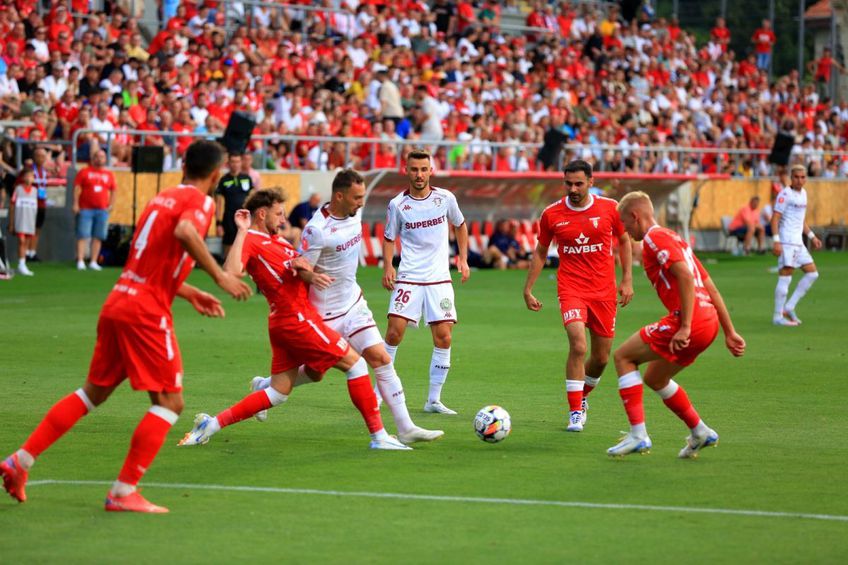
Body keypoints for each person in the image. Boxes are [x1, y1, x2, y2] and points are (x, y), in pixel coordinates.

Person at [0, 140, 252, 513]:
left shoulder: (159, 198)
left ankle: (19, 461)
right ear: (215, 175)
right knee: (170, 402)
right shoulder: (199, 202)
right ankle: (123, 492)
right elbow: (186, 232)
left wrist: (189, 292)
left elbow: (147, 259)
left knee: (93, 393)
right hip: (145, 312)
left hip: (120, 300)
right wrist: (219, 277)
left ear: (184, 165)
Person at [178, 189, 410, 450]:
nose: (283, 219)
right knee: (355, 366)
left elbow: (296, 271)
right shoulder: (252, 239)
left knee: (278, 392)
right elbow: (231, 271)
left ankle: (210, 425)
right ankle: (379, 437)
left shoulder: (276, 242)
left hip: (286, 321)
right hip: (295, 318)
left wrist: (309, 274)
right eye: (278, 214)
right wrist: (242, 231)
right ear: (262, 214)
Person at [250, 169, 443, 444]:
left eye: (363, 196)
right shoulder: (317, 230)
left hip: (353, 304)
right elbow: (301, 267)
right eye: (357, 197)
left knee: (381, 359)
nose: (361, 202)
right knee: (315, 374)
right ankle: (267, 385)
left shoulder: (355, 212)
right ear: (339, 196)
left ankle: (405, 428)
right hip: (324, 314)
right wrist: (312, 276)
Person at [607, 191, 745, 458]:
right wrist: (729, 331)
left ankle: (638, 435)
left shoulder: (653, 239)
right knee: (655, 378)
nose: (624, 231)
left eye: (625, 224)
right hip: (709, 322)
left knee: (623, 356)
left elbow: (683, 275)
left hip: (690, 321)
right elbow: (709, 286)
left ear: (635, 216)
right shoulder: (674, 238)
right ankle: (700, 431)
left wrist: (685, 325)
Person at [523, 160, 633, 432]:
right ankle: (574, 412)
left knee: (602, 358)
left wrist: (627, 279)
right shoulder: (552, 214)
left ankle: (582, 396)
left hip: (604, 292)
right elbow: (540, 250)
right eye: (568, 183)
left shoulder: (610, 208)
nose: (573, 188)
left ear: (591, 182)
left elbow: (625, 241)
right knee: (578, 346)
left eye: (578, 183)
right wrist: (528, 288)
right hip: (571, 289)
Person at [381, 149, 470, 415]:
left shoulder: (445, 198)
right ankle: (380, 393)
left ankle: (433, 400)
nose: (419, 175)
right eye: (414, 169)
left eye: (423, 169)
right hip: (409, 276)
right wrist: (388, 267)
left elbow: (460, 225)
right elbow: (388, 238)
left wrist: (462, 259)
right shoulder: (397, 204)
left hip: (439, 278)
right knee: (394, 333)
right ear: (405, 171)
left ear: (431, 170)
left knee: (443, 338)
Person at [771, 165, 822, 326]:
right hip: (787, 241)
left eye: (802, 177)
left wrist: (812, 236)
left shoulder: (804, 194)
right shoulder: (785, 194)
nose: (799, 180)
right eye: (796, 177)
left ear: (806, 178)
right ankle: (777, 316)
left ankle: (790, 306)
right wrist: (776, 240)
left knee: (812, 274)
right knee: (785, 276)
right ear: (791, 178)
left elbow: (801, 221)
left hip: (798, 242)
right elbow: (775, 218)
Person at [73, 149, 116, 271]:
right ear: (93, 158)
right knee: (82, 234)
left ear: (105, 159)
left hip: (102, 209)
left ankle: (93, 261)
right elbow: (77, 188)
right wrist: (75, 204)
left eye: (102, 157)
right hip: (85, 208)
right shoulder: (84, 172)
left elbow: (114, 190)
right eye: (97, 156)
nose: (100, 159)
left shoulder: (109, 174)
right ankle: (80, 260)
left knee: (98, 236)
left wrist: (111, 204)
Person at [215, 153, 254, 259]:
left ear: (241, 163)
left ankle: (242, 267)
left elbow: (253, 198)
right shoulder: (224, 180)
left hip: (245, 217)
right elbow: (219, 202)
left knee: (245, 242)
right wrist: (218, 223)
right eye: (233, 161)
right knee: (229, 242)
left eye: (237, 161)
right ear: (228, 163)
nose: (235, 164)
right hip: (229, 217)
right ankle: (227, 268)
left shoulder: (247, 178)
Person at [8, 169, 38, 276]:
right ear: (23, 177)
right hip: (20, 220)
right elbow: (12, 206)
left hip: (30, 220)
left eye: (32, 176)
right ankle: (21, 264)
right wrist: (11, 223)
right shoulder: (18, 189)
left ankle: (22, 263)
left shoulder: (35, 190)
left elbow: (35, 208)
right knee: (21, 240)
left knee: (26, 242)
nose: (30, 178)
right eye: (28, 176)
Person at [29, 148, 49, 262]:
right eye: (38, 156)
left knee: (38, 228)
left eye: (43, 156)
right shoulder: (30, 169)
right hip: (31, 203)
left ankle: (33, 252)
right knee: (29, 229)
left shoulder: (45, 170)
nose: (41, 158)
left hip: (42, 203)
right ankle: (26, 252)